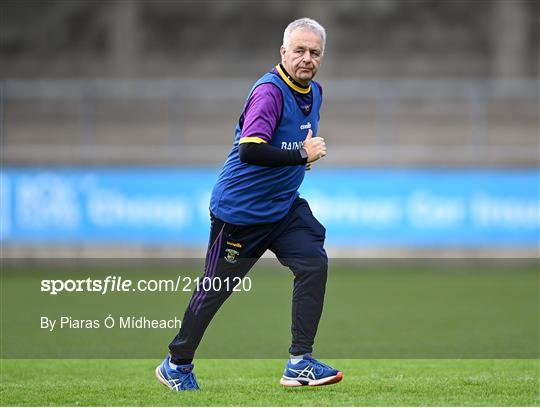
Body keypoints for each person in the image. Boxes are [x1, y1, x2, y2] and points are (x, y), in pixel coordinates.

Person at [155, 17, 342, 391]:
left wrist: (295, 160)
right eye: (300, 50)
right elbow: (250, 150)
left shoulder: (315, 91)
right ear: (283, 52)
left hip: (283, 207)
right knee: (215, 291)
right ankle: (176, 365)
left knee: (313, 263)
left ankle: (299, 362)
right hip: (240, 212)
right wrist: (301, 156)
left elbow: (288, 144)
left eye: (315, 52)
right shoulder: (269, 92)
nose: (307, 58)